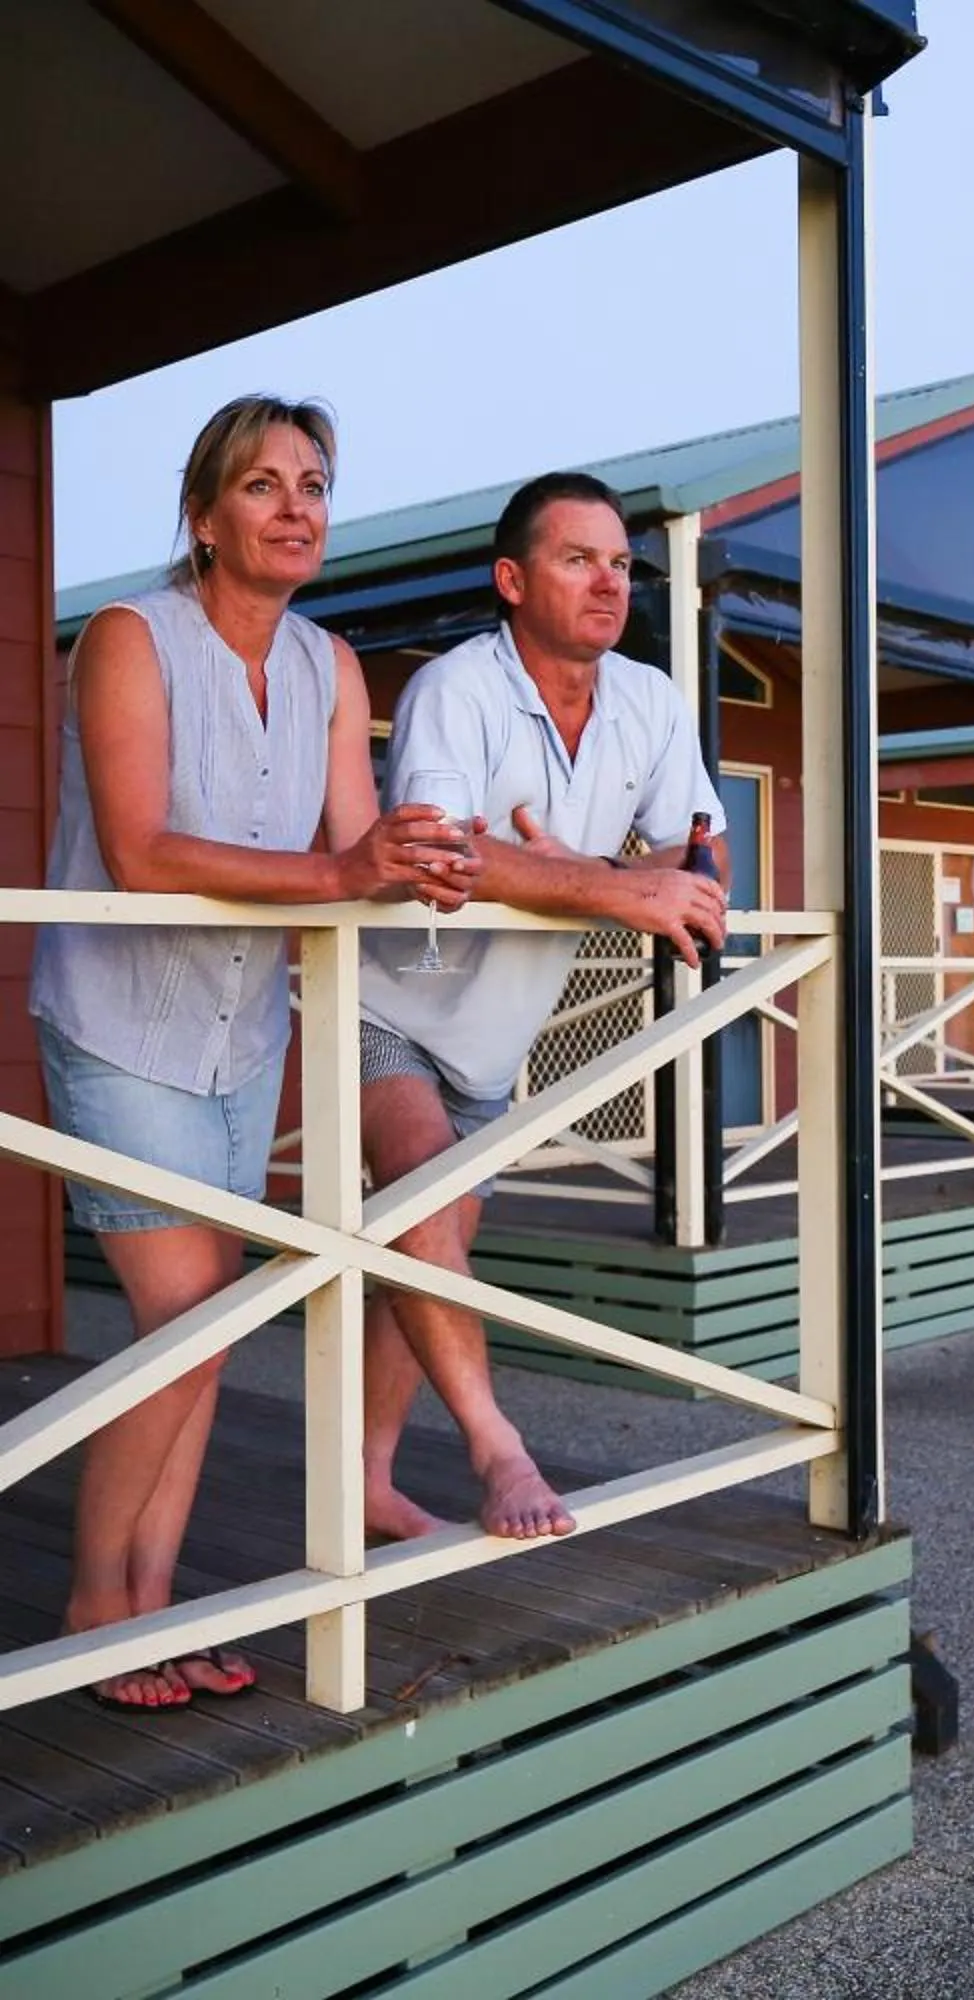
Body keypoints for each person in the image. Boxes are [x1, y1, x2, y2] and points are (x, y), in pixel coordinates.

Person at [34, 396, 472, 1710]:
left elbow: (352, 845)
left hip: (247, 1038)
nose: (297, 507)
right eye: (265, 484)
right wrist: (344, 866)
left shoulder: (334, 670)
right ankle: (92, 1618)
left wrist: (413, 864)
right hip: (120, 1026)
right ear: (207, 515)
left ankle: (148, 1611)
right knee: (181, 1328)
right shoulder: (127, 639)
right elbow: (142, 852)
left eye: (315, 485)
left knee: (206, 1337)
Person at [352, 471, 731, 1545]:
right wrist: (613, 882)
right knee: (425, 1197)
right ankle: (495, 1446)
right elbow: (442, 850)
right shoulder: (454, 689)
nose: (609, 581)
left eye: (621, 562)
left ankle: (368, 1478)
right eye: (579, 558)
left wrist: (587, 867)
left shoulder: (649, 699)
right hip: (385, 997)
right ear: (512, 580)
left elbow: (703, 860)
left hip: (496, 1035)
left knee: (420, 1252)